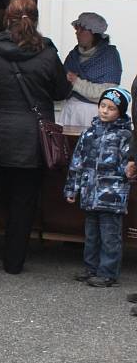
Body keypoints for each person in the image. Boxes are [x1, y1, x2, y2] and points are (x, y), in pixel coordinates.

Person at [0, 0, 72, 274]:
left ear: (6, 19)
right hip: (32, 138)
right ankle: (13, 263)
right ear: (35, 19)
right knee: (23, 202)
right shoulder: (48, 53)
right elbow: (61, 92)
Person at [65, 88, 132, 287]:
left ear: (121, 112)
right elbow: (77, 162)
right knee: (91, 235)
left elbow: (128, 166)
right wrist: (72, 188)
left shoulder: (125, 136)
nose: (104, 111)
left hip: (112, 196)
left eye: (111, 108)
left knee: (110, 236)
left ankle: (108, 272)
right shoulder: (89, 133)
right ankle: (91, 268)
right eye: (102, 106)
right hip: (89, 193)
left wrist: (125, 173)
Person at [58, 12, 122, 126]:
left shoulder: (109, 57)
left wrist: (76, 82)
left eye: (82, 30)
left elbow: (106, 94)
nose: (77, 33)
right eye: (77, 29)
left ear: (94, 33)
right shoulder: (73, 56)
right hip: (70, 114)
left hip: (94, 116)